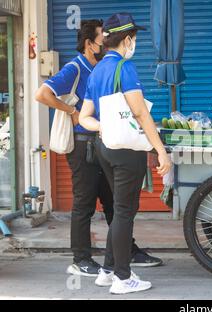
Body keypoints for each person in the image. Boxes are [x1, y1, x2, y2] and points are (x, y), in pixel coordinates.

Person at [35, 20, 160, 278]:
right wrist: (73, 111)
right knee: (84, 203)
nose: (106, 42)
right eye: (102, 38)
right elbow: (42, 94)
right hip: (82, 146)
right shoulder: (75, 67)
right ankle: (80, 258)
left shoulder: (101, 67)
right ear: (90, 44)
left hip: (103, 143)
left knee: (115, 202)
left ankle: (124, 253)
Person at [79, 13, 172, 294]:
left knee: (120, 209)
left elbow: (84, 117)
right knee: (124, 212)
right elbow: (141, 114)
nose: (135, 43)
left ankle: (107, 271)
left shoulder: (96, 71)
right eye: (135, 38)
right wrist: (161, 151)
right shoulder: (125, 68)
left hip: (103, 147)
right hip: (127, 151)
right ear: (128, 39)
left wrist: (105, 127)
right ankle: (123, 278)